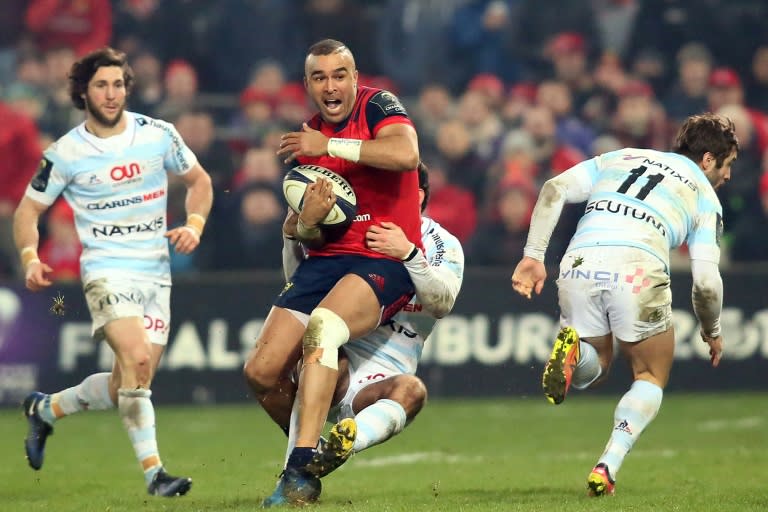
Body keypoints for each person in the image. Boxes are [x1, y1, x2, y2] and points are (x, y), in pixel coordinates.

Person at [13, 47, 213, 497]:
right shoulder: (64, 153)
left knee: (129, 381)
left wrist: (194, 225)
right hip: (106, 270)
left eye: (118, 84)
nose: (111, 93)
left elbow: (199, 182)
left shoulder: (158, 134)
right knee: (137, 359)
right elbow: (28, 211)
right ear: (83, 91)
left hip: (155, 273)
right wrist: (30, 256)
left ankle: (45, 410)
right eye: (102, 85)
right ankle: (155, 475)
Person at [511, 113, 737, 497]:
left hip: (579, 261)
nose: (729, 176)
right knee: (650, 373)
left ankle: (573, 355)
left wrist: (533, 256)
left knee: (595, 365)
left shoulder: (621, 157)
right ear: (708, 160)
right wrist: (712, 330)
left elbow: (553, 189)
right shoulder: (704, 196)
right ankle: (607, 465)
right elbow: (705, 282)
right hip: (638, 267)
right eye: (728, 164)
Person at [241, 38, 422, 506]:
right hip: (326, 262)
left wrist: (332, 144)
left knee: (323, 328)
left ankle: (298, 470)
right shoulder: (306, 145)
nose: (331, 85)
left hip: (382, 258)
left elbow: (405, 156)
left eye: (339, 75)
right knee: (260, 372)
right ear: (307, 86)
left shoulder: (378, 105)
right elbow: (312, 238)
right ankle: (315, 448)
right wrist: (308, 221)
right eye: (319, 77)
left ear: (355, 78)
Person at [262, 163, 464, 505]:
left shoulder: (441, 242)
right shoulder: (352, 234)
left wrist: (409, 254)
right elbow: (304, 292)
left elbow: (441, 303)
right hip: (336, 362)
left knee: (412, 390)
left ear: (416, 196)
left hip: (382, 379)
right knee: (310, 349)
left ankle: (340, 446)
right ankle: (296, 468)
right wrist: (291, 237)